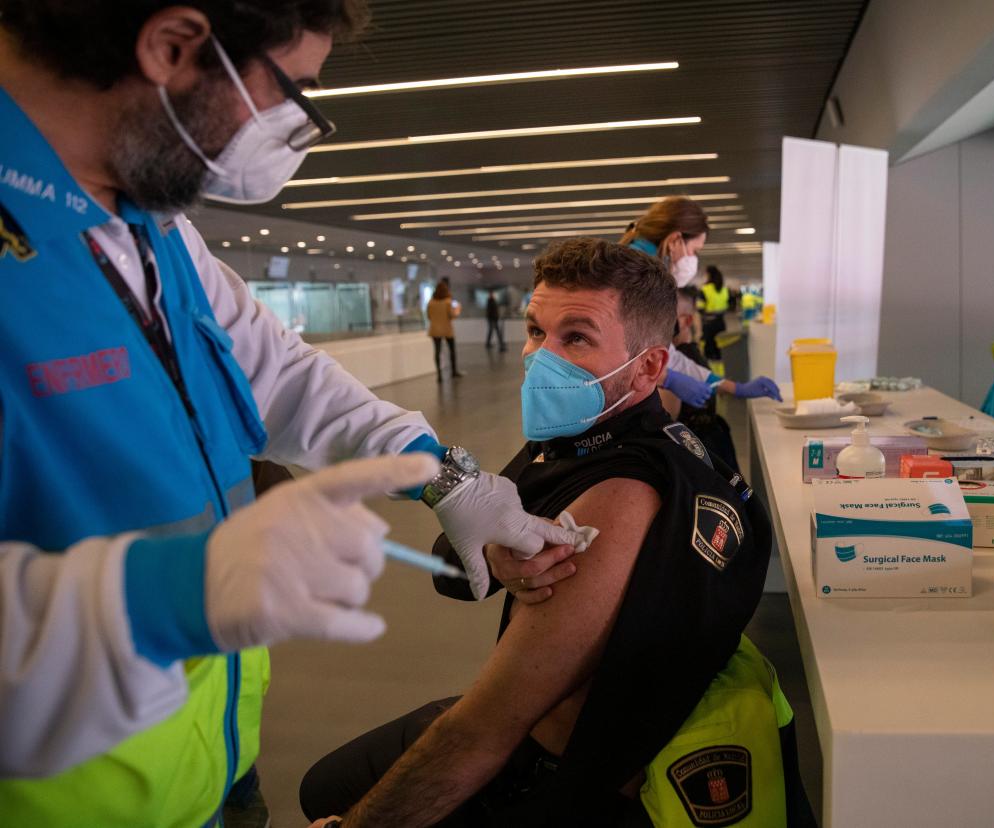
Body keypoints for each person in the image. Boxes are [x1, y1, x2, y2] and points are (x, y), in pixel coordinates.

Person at [0, 3, 580, 824]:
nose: (292, 128)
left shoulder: (149, 224)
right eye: (292, 90)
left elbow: (275, 371)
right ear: (172, 47)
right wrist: (162, 599)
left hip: (210, 769)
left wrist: (444, 475)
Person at [300, 238, 814, 828]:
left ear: (648, 367)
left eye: (575, 337)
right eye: (536, 331)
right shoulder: (592, 442)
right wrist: (495, 556)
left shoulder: (619, 495)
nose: (540, 357)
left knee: (329, 794)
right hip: (590, 734)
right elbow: (459, 558)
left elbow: (487, 730)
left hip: (566, 780)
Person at [621, 196, 781, 408]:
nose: (694, 259)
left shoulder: (644, 271)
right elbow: (619, 355)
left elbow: (665, 354)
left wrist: (732, 387)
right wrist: (668, 379)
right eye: (695, 250)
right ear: (676, 240)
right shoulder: (636, 275)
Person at [672, 288, 741, 471]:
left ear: (686, 320)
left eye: (669, 315)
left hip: (698, 447)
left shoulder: (685, 355)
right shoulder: (684, 354)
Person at [426, 280, 463, 380]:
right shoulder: (447, 302)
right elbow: (452, 315)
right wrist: (458, 309)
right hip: (447, 329)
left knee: (437, 352)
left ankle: (439, 375)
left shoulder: (431, 302)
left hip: (435, 329)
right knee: (452, 350)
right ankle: (454, 371)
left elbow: (428, 316)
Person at [698, 264, 731, 371]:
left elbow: (700, 307)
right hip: (721, 323)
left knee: (710, 353)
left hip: (709, 325)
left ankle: (713, 378)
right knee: (721, 351)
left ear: (709, 275)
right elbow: (728, 305)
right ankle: (722, 376)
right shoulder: (724, 289)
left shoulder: (705, 289)